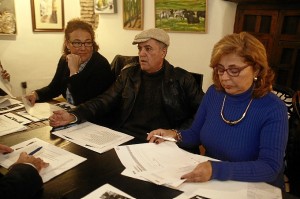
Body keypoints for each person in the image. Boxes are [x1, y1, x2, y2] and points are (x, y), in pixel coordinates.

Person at [147, 32, 289, 189]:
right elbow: (195, 134)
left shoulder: (273, 108)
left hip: (255, 188)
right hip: (213, 184)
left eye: (234, 70)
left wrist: (216, 170)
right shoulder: (214, 94)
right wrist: (173, 134)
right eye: (220, 69)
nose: (224, 78)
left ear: (256, 69)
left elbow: (270, 167)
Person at [49, 28, 204, 143]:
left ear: (163, 52)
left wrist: (174, 133)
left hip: (157, 142)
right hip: (124, 138)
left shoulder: (182, 79)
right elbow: (104, 100)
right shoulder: (129, 73)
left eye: (148, 48)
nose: (141, 53)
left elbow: (204, 113)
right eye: (140, 48)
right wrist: (74, 114)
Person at [25, 18, 114, 106]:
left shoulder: (100, 65)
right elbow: (54, 88)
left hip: (93, 118)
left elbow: (82, 101)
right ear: (68, 44)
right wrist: (35, 94)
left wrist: (74, 72)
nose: (83, 48)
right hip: (71, 112)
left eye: (88, 42)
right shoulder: (65, 60)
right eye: (77, 43)